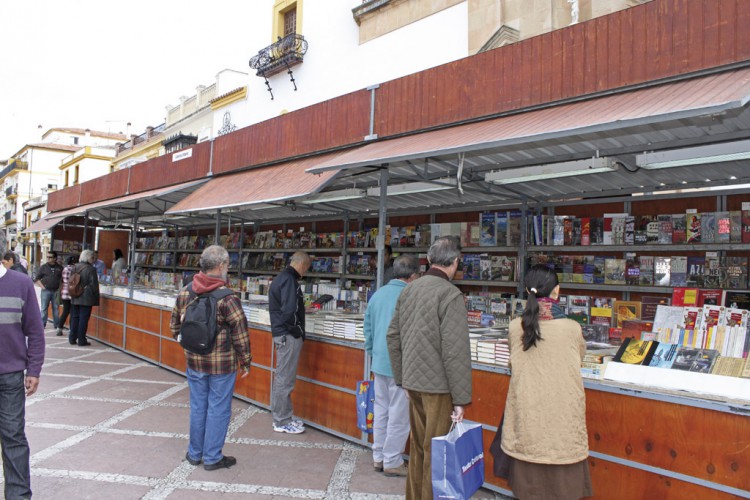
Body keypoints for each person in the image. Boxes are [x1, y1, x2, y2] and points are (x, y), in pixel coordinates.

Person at [386, 236, 472, 500]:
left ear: (429, 259)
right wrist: (461, 399)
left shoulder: (409, 289)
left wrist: (403, 380)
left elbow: (393, 336)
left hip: (414, 384)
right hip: (440, 388)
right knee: (438, 454)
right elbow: (455, 351)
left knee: (419, 450)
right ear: (455, 262)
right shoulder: (450, 294)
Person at [501, 265, 592, 499]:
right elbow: (579, 360)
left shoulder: (515, 327)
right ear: (556, 291)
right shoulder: (572, 328)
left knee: (527, 487)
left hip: (528, 419)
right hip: (562, 421)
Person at [170, 245, 252, 471]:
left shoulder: (186, 292)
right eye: (227, 265)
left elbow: (174, 327)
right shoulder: (228, 298)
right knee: (219, 408)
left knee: (198, 406)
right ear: (221, 266)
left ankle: (194, 454)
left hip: (194, 362)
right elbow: (240, 333)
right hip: (222, 365)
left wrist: (189, 347)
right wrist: (245, 360)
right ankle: (213, 457)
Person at [364, 254, 419, 478]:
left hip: (379, 364)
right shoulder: (410, 296)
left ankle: (378, 457)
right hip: (401, 366)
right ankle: (392, 461)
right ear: (414, 276)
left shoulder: (377, 295)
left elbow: (367, 330)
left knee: (381, 411)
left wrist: (374, 354)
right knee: (399, 416)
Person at [0, 251, 45, 499]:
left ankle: (18, 496)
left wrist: (34, 369)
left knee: (13, 435)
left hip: (9, 375)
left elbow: (35, 331)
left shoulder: (21, 283)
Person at [268, 251, 311, 434]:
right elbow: (288, 312)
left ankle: (281, 416)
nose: (306, 272)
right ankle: (282, 421)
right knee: (285, 379)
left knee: (282, 377)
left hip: (282, 333)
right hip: (288, 336)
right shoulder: (290, 281)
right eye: (307, 268)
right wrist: (299, 331)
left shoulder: (282, 278)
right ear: (302, 264)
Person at [69, 249, 100, 346]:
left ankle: (72, 338)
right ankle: (81, 339)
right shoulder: (91, 269)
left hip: (75, 295)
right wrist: (96, 297)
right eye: (92, 257)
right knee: (83, 318)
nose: (93, 259)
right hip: (86, 297)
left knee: (75, 317)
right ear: (88, 257)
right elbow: (94, 285)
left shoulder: (74, 267)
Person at [34, 251, 63, 331]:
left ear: (55, 258)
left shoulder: (60, 268)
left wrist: (60, 289)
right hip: (46, 290)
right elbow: (36, 278)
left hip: (56, 291)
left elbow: (63, 280)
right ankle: (42, 324)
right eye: (47, 257)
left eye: (50, 257)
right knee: (43, 308)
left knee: (56, 308)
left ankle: (56, 324)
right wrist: (42, 287)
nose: (48, 258)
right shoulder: (43, 267)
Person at [57, 254, 79, 336]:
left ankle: (59, 327)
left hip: (65, 292)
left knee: (65, 311)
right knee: (73, 312)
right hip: (73, 292)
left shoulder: (65, 268)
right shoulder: (74, 269)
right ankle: (71, 329)